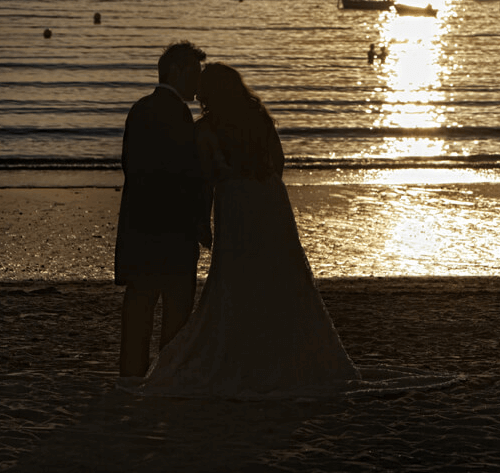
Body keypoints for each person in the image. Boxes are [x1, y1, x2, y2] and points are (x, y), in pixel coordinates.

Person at [134, 63, 359, 397]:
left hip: (236, 200)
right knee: (280, 273)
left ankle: (243, 348)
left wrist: (203, 220)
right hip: (269, 198)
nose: (196, 93)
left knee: (235, 276)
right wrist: (265, 191)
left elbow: (207, 179)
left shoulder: (206, 129)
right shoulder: (258, 117)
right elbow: (278, 161)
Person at [114, 41, 211, 378]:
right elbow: (189, 175)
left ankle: (130, 375)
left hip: (140, 225)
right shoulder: (180, 116)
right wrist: (200, 221)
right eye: (195, 74)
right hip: (172, 230)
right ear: (178, 71)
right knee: (175, 310)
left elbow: (129, 163)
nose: (198, 84)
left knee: (138, 305)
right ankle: (167, 375)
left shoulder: (139, 109)